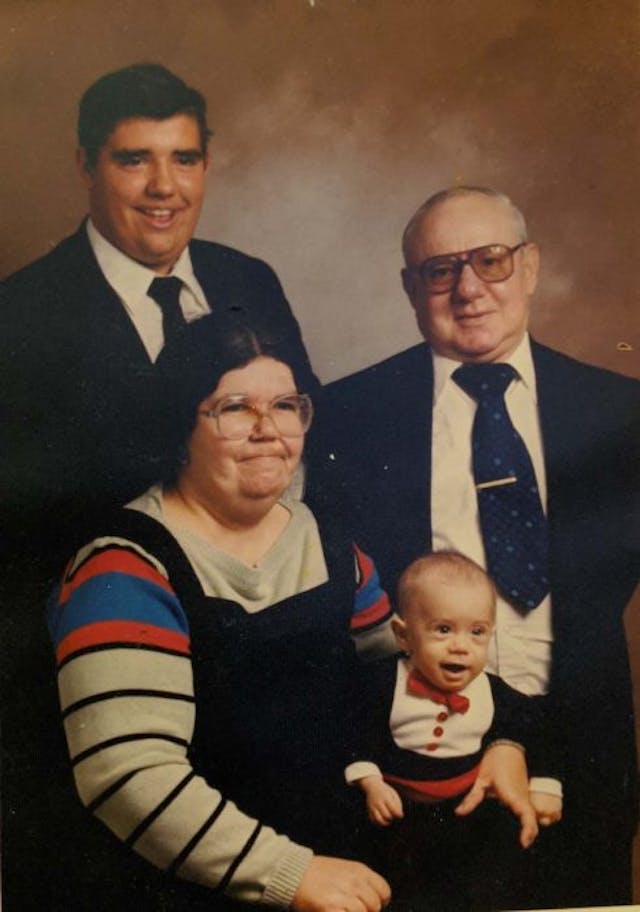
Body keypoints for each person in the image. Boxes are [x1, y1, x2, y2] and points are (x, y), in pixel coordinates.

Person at [324, 186, 639, 908]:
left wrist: (534, 743)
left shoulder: (623, 414)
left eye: (490, 261)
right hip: (410, 786)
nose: (468, 288)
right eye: (440, 270)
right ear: (411, 289)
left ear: (528, 267)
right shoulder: (346, 415)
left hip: (573, 771)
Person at [45, 313, 393, 912]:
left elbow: (397, 684)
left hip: (342, 874)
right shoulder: (122, 568)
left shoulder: (339, 552)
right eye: (235, 408)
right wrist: (291, 874)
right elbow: (128, 775)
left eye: (286, 406)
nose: (268, 430)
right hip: (192, 890)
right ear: (182, 426)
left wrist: (505, 740)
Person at [1, 62, 314, 568]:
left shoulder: (249, 281)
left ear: (206, 164)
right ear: (86, 166)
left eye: (184, 159)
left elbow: (302, 439)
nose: (164, 187)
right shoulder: (20, 313)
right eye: (134, 161)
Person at [346, 551, 561, 910]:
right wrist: (371, 782)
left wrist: (545, 784)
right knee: (394, 889)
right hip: (399, 812)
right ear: (403, 635)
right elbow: (356, 736)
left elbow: (535, 726)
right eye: (443, 630)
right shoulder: (384, 685)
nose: (460, 646)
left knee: (477, 885)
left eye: (477, 632)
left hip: (466, 811)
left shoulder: (492, 691)